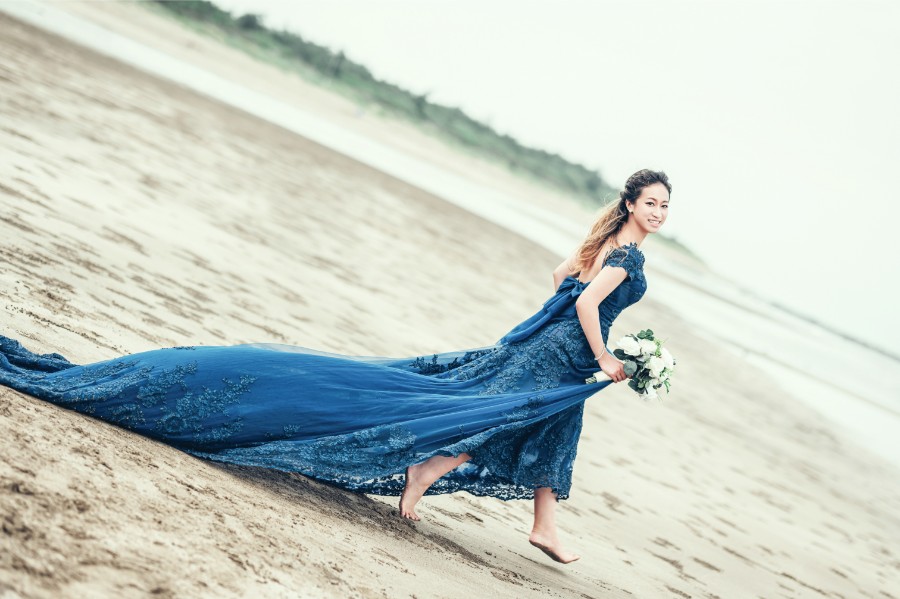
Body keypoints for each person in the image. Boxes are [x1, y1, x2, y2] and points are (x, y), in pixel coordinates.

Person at [0, 168, 670, 565]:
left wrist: (586, 332)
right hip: (561, 351)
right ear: (632, 203)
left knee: (538, 421)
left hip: (542, 349)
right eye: (653, 202)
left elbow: (560, 275)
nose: (660, 213)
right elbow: (582, 299)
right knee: (491, 416)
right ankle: (434, 475)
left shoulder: (607, 240)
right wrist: (609, 353)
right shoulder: (629, 256)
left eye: (667, 205)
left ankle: (542, 521)